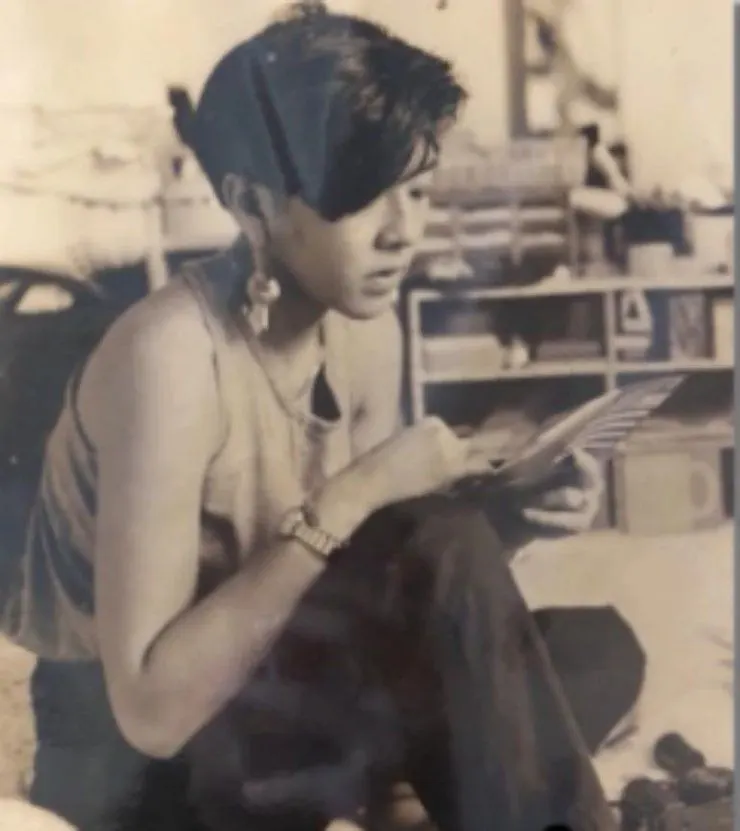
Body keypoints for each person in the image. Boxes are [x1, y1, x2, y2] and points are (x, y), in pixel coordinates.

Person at [2, 5, 645, 830]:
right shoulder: (169, 357)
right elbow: (151, 714)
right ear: (252, 203)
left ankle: (425, 791)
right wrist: (362, 488)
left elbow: (390, 583)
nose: (403, 233)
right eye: (366, 197)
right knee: (499, 674)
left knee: (598, 646)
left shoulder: (364, 329)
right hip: (139, 763)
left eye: (417, 191)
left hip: (266, 689)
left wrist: (511, 521)